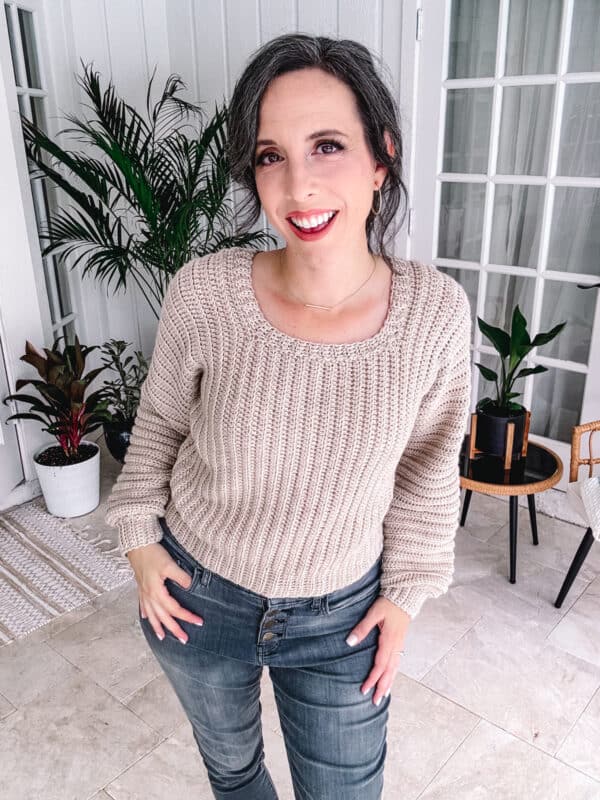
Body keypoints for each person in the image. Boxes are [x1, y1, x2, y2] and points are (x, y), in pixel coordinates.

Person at [105, 32, 472, 800]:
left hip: (343, 619)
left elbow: (429, 471)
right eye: (271, 155)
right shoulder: (206, 292)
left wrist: (405, 597)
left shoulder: (434, 312)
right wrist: (139, 541)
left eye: (328, 145)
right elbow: (160, 428)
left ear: (382, 159)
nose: (298, 185)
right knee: (234, 775)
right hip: (196, 597)